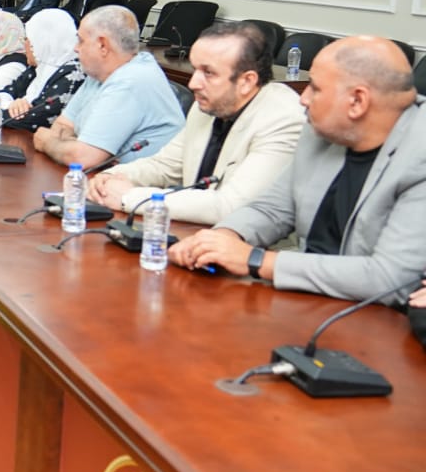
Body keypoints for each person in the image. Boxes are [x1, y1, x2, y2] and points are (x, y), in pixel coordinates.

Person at [171, 36, 426, 303]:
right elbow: (273, 209)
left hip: (377, 315)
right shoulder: (323, 129)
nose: (303, 99)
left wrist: (256, 260)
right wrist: (222, 238)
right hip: (306, 298)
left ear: (357, 101)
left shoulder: (419, 157)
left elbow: (388, 279)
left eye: (315, 88)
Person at [89, 20, 303, 222]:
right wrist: (109, 177)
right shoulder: (211, 104)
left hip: (249, 244)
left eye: (208, 73)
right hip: (196, 231)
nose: (193, 83)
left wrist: (129, 197)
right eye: (195, 69)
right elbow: (164, 166)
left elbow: (232, 206)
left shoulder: (283, 118)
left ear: (247, 81)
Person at [32, 5, 184, 166]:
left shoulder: (132, 80)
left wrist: (47, 142)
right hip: (102, 176)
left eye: (81, 41)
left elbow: (83, 159)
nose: (76, 48)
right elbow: (62, 125)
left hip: (141, 181)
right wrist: (76, 147)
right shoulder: (99, 72)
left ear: (103, 45)